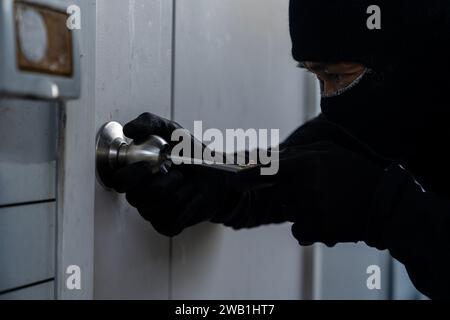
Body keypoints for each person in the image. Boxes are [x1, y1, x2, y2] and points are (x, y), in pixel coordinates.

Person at [111, 0, 450, 299]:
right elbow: (291, 170)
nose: (329, 104)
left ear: (414, 60)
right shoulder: (382, 105)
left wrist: (392, 212)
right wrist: (215, 175)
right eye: (317, 76)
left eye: (339, 75)